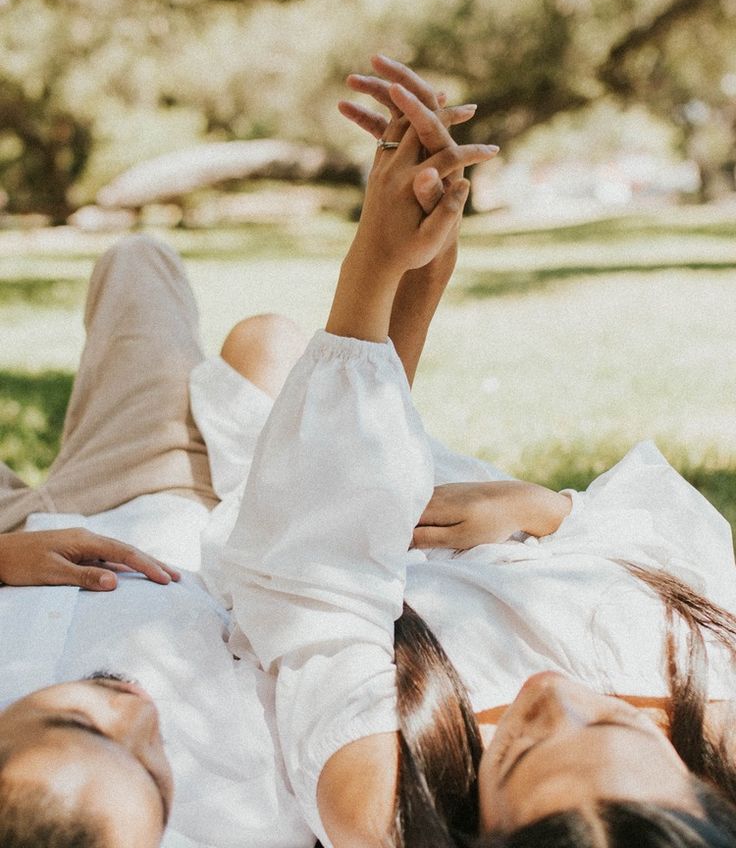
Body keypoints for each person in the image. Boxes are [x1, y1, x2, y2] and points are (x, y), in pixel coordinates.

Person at [221, 56, 736, 848]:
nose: (556, 692)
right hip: (475, 513)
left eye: (522, 748)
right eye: (625, 728)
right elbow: (682, 544)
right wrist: (544, 509)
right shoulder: (723, 729)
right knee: (270, 351)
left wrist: (380, 265)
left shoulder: (385, 801)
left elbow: (312, 576)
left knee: (257, 349)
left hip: (331, 508)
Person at [0, 235, 315, 848]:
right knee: (140, 265)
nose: (140, 710)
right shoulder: (249, 825)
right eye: (155, 774)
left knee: (134, 257)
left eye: (79, 722)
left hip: (8, 535)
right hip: (159, 489)